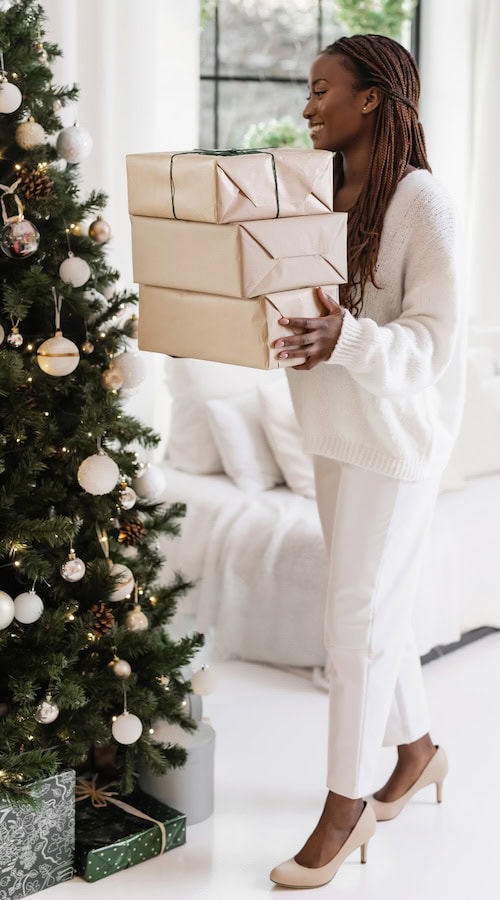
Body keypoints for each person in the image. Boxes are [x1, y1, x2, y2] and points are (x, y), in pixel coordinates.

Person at [269, 33, 466, 889]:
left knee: (355, 622)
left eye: (323, 90)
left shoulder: (422, 201)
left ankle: (343, 808)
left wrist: (344, 335)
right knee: (373, 610)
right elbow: (310, 306)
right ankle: (418, 752)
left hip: (395, 442)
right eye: (306, 92)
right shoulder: (319, 191)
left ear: (373, 98)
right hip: (333, 433)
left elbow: (431, 343)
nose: (308, 105)